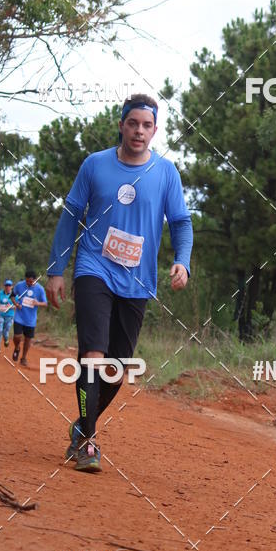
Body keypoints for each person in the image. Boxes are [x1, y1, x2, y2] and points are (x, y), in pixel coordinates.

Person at [46, 93, 193, 473]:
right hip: (94, 267)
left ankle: (82, 426)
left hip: (137, 279)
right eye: (133, 123)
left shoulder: (166, 173)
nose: (139, 131)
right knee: (93, 356)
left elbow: (181, 222)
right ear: (122, 125)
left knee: (116, 370)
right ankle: (89, 443)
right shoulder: (95, 165)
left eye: (147, 125)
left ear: (155, 130)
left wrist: (182, 261)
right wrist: (57, 269)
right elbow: (70, 215)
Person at [12, 269, 47, 367]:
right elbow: (12, 296)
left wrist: (37, 303)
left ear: (35, 280)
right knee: (17, 336)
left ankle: (23, 358)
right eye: (27, 281)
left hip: (31, 320)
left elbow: (45, 303)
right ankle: (17, 347)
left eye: (31, 282)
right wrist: (16, 304)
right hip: (19, 316)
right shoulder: (19, 285)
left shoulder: (40, 289)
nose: (28, 283)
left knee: (28, 340)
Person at [0, 279, 17, 347]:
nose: (7, 287)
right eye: (6, 285)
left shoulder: (15, 295)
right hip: (0, 315)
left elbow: (17, 306)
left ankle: (6, 340)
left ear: (12, 286)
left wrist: (11, 306)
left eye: (9, 285)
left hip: (9, 316)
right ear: (4, 286)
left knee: (5, 332)